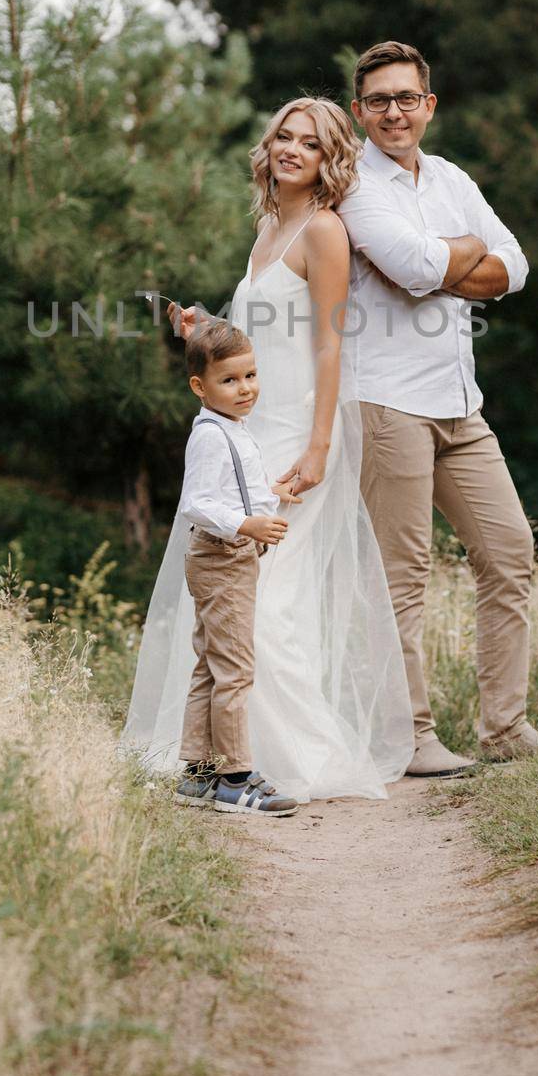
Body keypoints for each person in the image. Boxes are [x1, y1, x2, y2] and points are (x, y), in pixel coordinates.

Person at [123, 98, 413, 802]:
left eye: (308, 144)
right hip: (246, 433)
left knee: (267, 596)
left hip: (296, 435)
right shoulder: (269, 225)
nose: (290, 149)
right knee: (229, 594)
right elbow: (268, 332)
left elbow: (328, 341)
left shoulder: (324, 231)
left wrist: (318, 447)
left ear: (327, 161)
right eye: (283, 136)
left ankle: (280, 759)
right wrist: (207, 326)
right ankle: (217, 756)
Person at [337, 39, 538, 767]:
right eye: (377, 101)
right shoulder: (352, 186)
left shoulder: (453, 178)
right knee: (403, 576)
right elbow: (410, 265)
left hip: (461, 402)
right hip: (387, 401)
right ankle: (410, 737)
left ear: (429, 104)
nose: (393, 112)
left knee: (509, 550)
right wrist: (453, 258)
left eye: (406, 98)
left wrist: (440, 263)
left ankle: (505, 729)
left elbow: (513, 266)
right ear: (358, 112)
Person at [173, 320, 300, 817]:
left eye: (249, 375)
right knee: (234, 670)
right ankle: (233, 778)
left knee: (212, 664)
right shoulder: (209, 436)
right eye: (230, 381)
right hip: (221, 558)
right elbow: (198, 503)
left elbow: (234, 490)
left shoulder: (230, 428)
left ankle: (199, 772)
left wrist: (272, 497)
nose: (245, 388)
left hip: (228, 558)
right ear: (200, 388)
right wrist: (248, 524)